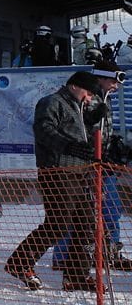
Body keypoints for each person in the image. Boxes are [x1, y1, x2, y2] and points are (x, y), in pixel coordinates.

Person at [4, 71, 101, 292]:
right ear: (75, 86)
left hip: (79, 173)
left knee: (85, 225)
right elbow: (43, 130)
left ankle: (77, 275)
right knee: (58, 224)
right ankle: (20, 262)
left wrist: (92, 125)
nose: (90, 98)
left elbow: (81, 135)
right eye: (88, 92)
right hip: (57, 171)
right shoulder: (51, 102)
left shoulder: (79, 107)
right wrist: (68, 146)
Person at [53, 60, 132, 271]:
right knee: (74, 212)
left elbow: (103, 130)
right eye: (114, 80)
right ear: (102, 78)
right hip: (84, 165)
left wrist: (114, 147)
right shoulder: (85, 98)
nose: (117, 86)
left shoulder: (105, 99)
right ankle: (63, 256)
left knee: (111, 209)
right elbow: (75, 128)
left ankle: (110, 253)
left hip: (104, 164)